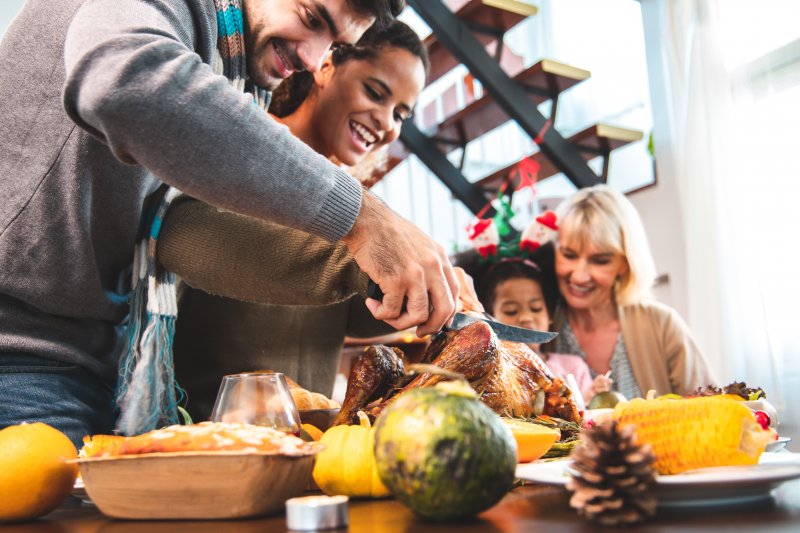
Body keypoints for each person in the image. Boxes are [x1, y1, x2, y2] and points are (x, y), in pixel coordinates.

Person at [0, 0, 460, 448]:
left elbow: (181, 231)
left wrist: (376, 270)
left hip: (97, 371)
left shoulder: (235, 72)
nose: (312, 58)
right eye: (310, 17)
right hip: (24, 354)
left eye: (334, 46)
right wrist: (361, 214)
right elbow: (125, 82)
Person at [158, 20, 432, 419]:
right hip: (211, 436)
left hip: (305, 443)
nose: (387, 123)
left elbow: (351, 304)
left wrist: (420, 291)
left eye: (401, 114)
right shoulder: (239, 148)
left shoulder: (359, 209)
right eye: (375, 92)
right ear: (326, 65)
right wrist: (358, 266)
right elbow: (184, 238)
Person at [543, 185, 715, 399]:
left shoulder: (662, 325)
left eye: (600, 261)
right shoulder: (541, 330)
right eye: (569, 255)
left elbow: (710, 407)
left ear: (625, 263)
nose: (579, 275)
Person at [478, 258, 599, 402]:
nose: (526, 318)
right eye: (511, 311)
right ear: (490, 319)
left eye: (536, 308)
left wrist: (591, 398)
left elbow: (589, 414)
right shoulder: (488, 371)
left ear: (550, 314)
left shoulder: (573, 367)